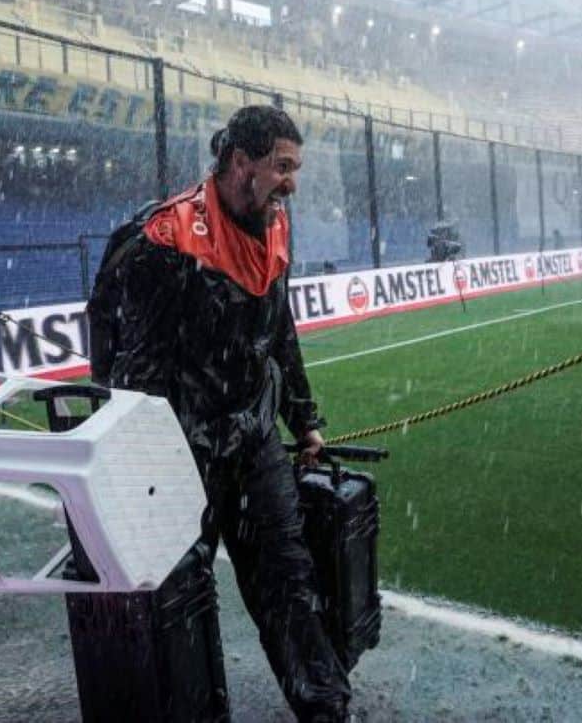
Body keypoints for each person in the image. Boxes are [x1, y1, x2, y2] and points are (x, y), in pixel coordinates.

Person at [91, 105, 351, 722]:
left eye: (294, 168)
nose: (291, 182)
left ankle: (325, 708)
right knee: (181, 594)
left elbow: (277, 334)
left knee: (289, 579)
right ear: (241, 163)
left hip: (254, 438)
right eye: (282, 167)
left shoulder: (276, 225)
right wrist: (146, 461)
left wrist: (303, 419)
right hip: (180, 451)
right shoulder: (166, 240)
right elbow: (132, 371)